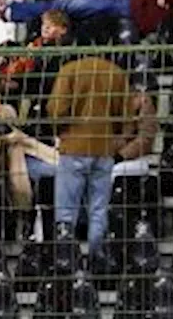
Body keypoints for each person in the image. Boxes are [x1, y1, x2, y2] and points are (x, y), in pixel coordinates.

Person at [46, 54, 133, 264]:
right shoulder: (116, 73)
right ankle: (97, 257)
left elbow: (57, 109)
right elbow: (127, 114)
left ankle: (66, 259)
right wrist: (117, 139)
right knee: (98, 208)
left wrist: (60, 132)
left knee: (66, 209)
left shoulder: (70, 70)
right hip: (103, 146)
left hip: (74, 145)